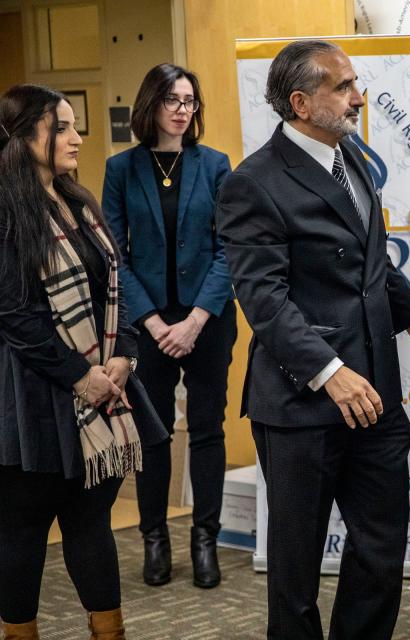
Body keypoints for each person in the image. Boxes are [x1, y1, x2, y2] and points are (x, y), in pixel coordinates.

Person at [215, 40, 410, 640]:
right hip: (302, 405)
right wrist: (328, 370)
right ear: (300, 102)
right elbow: (263, 299)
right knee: (294, 568)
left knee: (379, 549)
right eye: (343, 86)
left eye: (355, 83)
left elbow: (370, 260)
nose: (358, 96)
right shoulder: (254, 183)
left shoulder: (348, 159)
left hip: (376, 394)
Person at [0, 84, 165, 640]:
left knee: (90, 523)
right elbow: (14, 316)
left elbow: (113, 292)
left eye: (74, 126)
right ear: (26, 139)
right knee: (22, 532)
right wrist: (80, 376)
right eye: (63, 128)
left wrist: (126, 357)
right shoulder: (5, 208)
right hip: (32, 401)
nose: (77, 138)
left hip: (100, 388)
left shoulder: (77, 200)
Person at [102, 63, 235, 590]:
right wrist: (156, 323)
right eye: (174, 100)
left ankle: (205, 540)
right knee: (154, 436)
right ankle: (155, 539)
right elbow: (116, 255)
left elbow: (230, 248)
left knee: (207, 431)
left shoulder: (216, 165)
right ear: (151, 104)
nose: (183, 110)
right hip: (148, 324)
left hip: (208, 321)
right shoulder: (122, 169)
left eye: (190, 101)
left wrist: (196, 319)